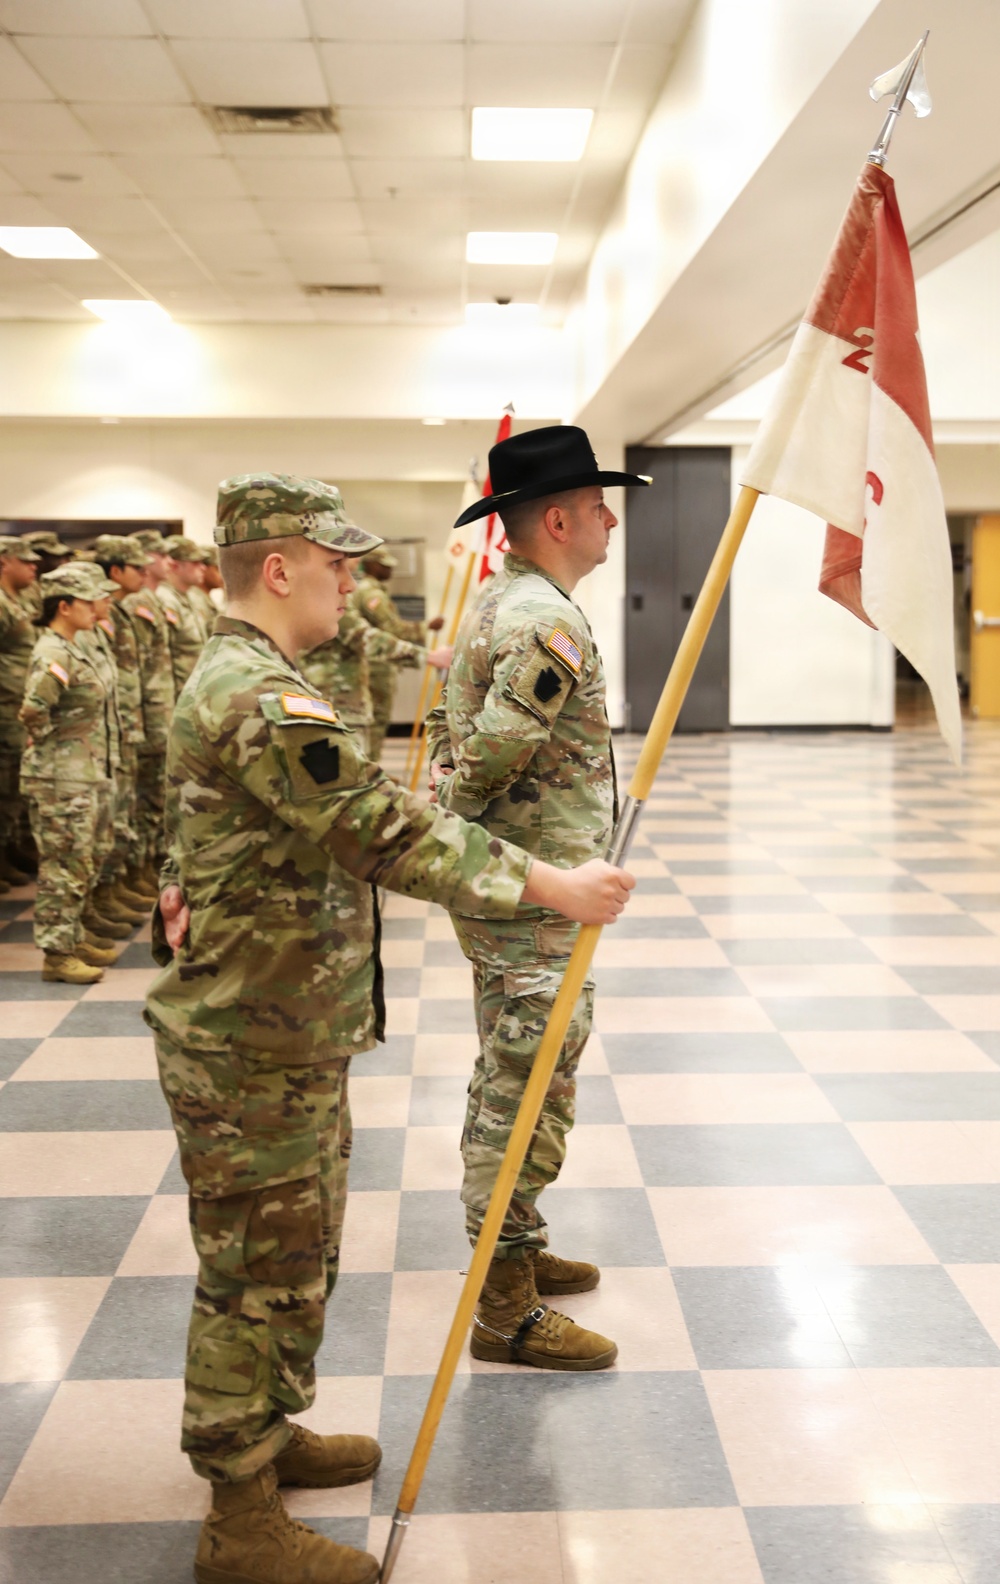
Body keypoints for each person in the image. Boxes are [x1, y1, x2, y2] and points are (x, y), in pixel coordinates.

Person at [145, 472, 633, 1584]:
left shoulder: (262, 677)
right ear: (279, 569)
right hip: (248, 1035)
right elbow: (378, 829)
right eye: (338, 563)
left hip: (279, 1022)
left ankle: (266, 1439)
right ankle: (239, 1513)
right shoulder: (261, 694)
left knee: (295, 1254)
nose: (350, 581)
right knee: (256, 1270)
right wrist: (551, 885)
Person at [425, 423, 651, 1371]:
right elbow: (480, 763)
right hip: (532, 899)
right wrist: (464, 849)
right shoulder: (542, 622)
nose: (609, 519)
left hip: (527, 890)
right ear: (556, 518)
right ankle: (506, 1309)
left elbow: (454, 743)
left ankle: (514, 1242)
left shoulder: (510, 600)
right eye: (598, 505)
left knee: (520, 1074)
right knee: (528, 1091)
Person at [19, 563, 122, 983]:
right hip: (60, 778)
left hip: (82, 772)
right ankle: (56, 955)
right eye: (89, 598)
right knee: (63, 867)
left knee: (82, 861)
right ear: (64, 606)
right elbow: (33, 710)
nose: (100, 604)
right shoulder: (54, 652)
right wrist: (50, 746)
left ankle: (72, 936)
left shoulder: (75, 645)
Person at [299, 602, 451, 761]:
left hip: (338, 702)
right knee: (349, 772)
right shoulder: (328, 601)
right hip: (337, 704)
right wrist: (430, 656)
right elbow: (366, 638)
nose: (350, 584)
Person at [351, 543, 444, 759]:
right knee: (376, 720)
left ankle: (371, 766)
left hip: (372, 663)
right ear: (372, 565)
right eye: (386, 566)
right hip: (376, 665)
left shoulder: (365, 590)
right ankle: (371, 767)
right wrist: (427, 626)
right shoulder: (372, 594)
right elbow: (392, 628)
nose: (391, 570)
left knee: (373, 719)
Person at [122, 531, 176, 887]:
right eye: (161, 555)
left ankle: (146, 869)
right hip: (140, 718)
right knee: (138, 800)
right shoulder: (133, 605)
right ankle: (133, 872)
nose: (166, 563)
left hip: (161, 712)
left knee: (155, 797)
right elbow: (133, 670)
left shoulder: (156, 601)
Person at [0, 535, 42, 888]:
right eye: (23, 560)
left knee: (14, 785)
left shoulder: (19, 599)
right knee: (3, 785)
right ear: (3, 563)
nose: (33, 565)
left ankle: (11, 849)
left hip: (16, 708)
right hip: (3, 710)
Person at [156, 533, 209, 691]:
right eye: (195, 563)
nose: (203, 567)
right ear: (175, 566)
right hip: (180, 693)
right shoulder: (165, 601)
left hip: (196, 689)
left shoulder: (192, 597)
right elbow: (164, 659)